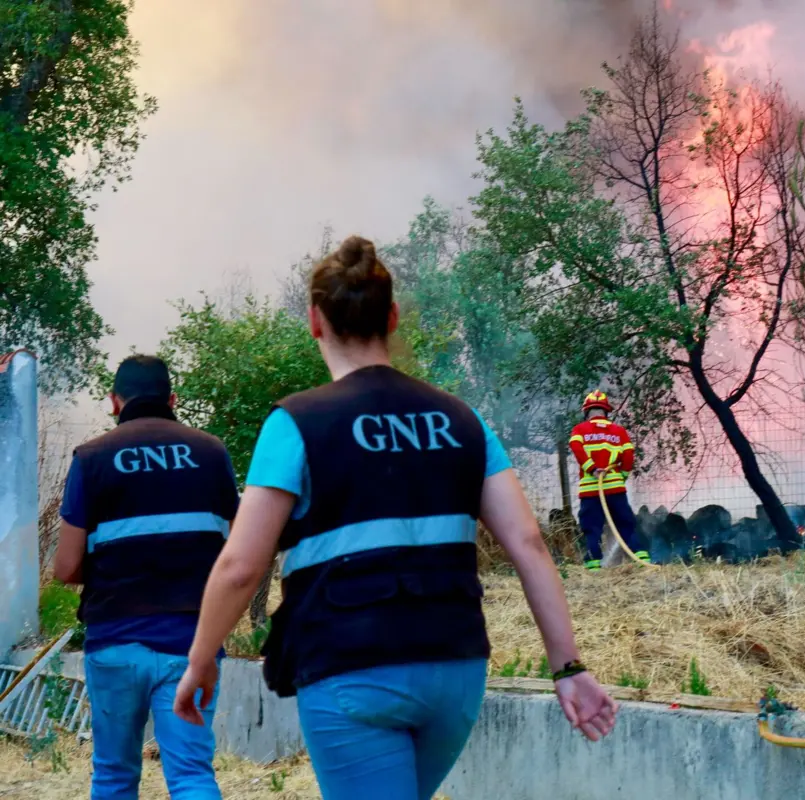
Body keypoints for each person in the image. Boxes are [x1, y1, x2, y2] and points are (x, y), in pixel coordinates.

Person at [174, 235, 617, 800]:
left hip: (352, 668)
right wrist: (567, 666)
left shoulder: (296, 423)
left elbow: (239, 565)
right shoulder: (463, 420)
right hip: (454, 669)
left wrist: (200, 661)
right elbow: (528, 543)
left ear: (314, 321)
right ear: (393, 316)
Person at [53, 354, 239, 800]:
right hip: (190, 645)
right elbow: (237, 553)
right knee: (193, 777)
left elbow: (64, 567)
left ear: (114, 402)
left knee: (114, 778)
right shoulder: (212, 452)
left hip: (114, 642)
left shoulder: (92, 457)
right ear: (172, 399)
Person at [569, 391, 651, 570]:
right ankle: (639, 555)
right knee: (625, 522)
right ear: (606, 412)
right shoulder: (618, 431)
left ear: (586, 411)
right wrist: (621, 475)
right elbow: (628, 456)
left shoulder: (579, 430)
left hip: (591, 489)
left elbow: (577, 449)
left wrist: (592, 469)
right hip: (615, 489)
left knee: (592, 526)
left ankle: (593, 563)